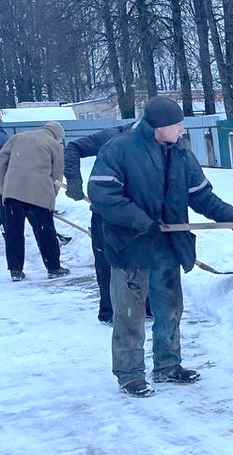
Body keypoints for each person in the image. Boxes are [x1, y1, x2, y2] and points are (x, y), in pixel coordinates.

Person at [88, 96, 233, 397]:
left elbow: (201, 195)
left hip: (168, 244)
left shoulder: (181, 155)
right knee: (129, 312)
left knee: (170, 308)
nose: (181, 130)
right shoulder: (119, 150)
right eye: (177, 125)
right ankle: (130, 374)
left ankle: (167, 365)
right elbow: (101, 193)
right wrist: (139, 220)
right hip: (130, 246)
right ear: (159, 126)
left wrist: (228, 215)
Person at [63, 122, 153, 325]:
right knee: (107, 262)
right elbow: (73, 148)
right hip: (105, 213)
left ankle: (146, 307)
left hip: (137, 213)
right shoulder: (110, 137)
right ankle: (109, 311)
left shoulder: (159, 141)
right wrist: (73, 180)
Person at [0, 121, 70, 281]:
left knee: (13, 233)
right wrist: (52, 194)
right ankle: (53, 268)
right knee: (45, 232)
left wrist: (4, 186)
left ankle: (15, 270)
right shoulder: (54, 144)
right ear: (58, 135)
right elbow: (57, 174)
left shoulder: (18, 137)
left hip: (13, 193)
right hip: (39, 194)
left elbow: (1, 160)